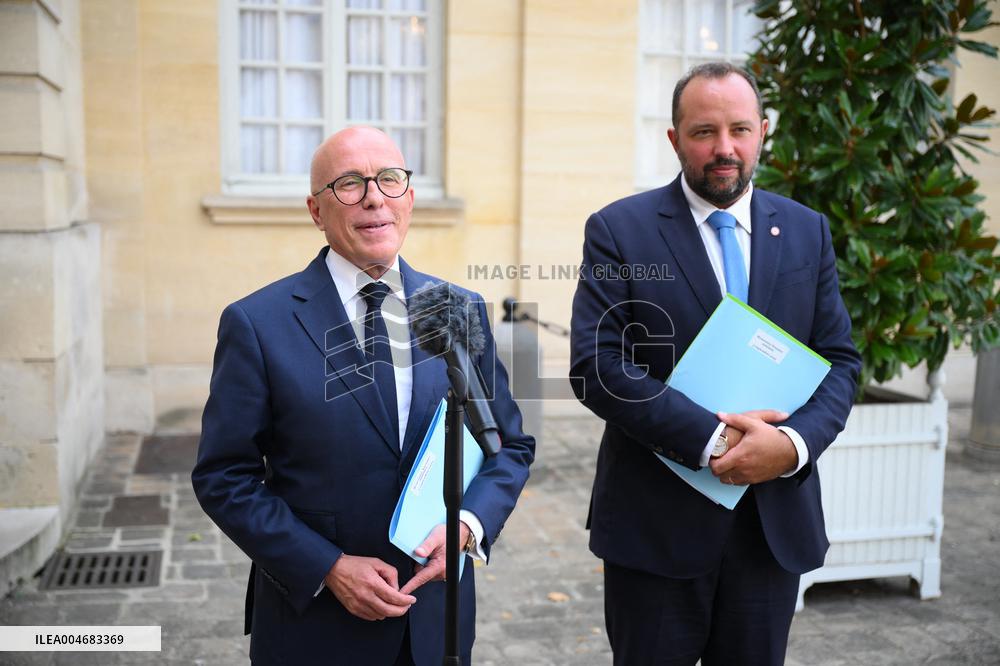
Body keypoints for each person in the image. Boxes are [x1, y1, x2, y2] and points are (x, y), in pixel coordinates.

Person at [192, 126, 535, 665]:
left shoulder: (457, 308)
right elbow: (223, 476)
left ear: (410, 198)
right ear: (315, 210)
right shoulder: (257, 324)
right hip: (316, 631)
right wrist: (326, 565)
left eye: (390, 180)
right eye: (350, 184)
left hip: (435, 626)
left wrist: (468, 525)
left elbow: (508, 447)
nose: (375, 196)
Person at [569, 62, 862, 665]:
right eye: (703, 132)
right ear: (674, 139)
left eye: (739, 129)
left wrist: (793, 446)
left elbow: (839, 360)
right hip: (654, 531)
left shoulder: (808, 232)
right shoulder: (619, 230)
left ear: (763, 132)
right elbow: (596, 363)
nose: (723, 148)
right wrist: (712, 439)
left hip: (769, 530)